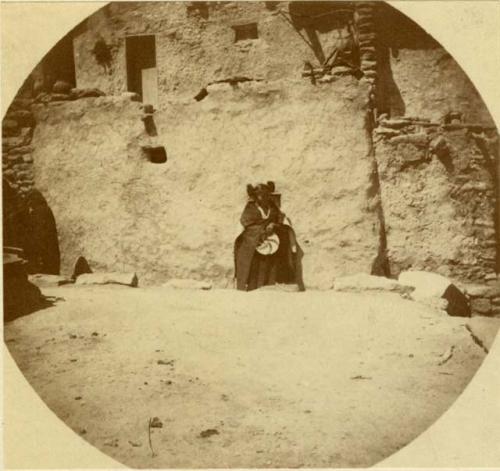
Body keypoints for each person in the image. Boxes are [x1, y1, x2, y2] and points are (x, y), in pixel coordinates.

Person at [234, 181, 305, 291]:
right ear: (255, 196)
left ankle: (269, 285)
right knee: (255, 264)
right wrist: (261, 230)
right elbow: (246, 224)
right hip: (255, 242)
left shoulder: (272, 207)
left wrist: (274, 225)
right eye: (259, 195)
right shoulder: (250, 208)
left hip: (271, 242)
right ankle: (253, 286)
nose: (262, 197)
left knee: (271, 263)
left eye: (265, 195)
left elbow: (280, 218)